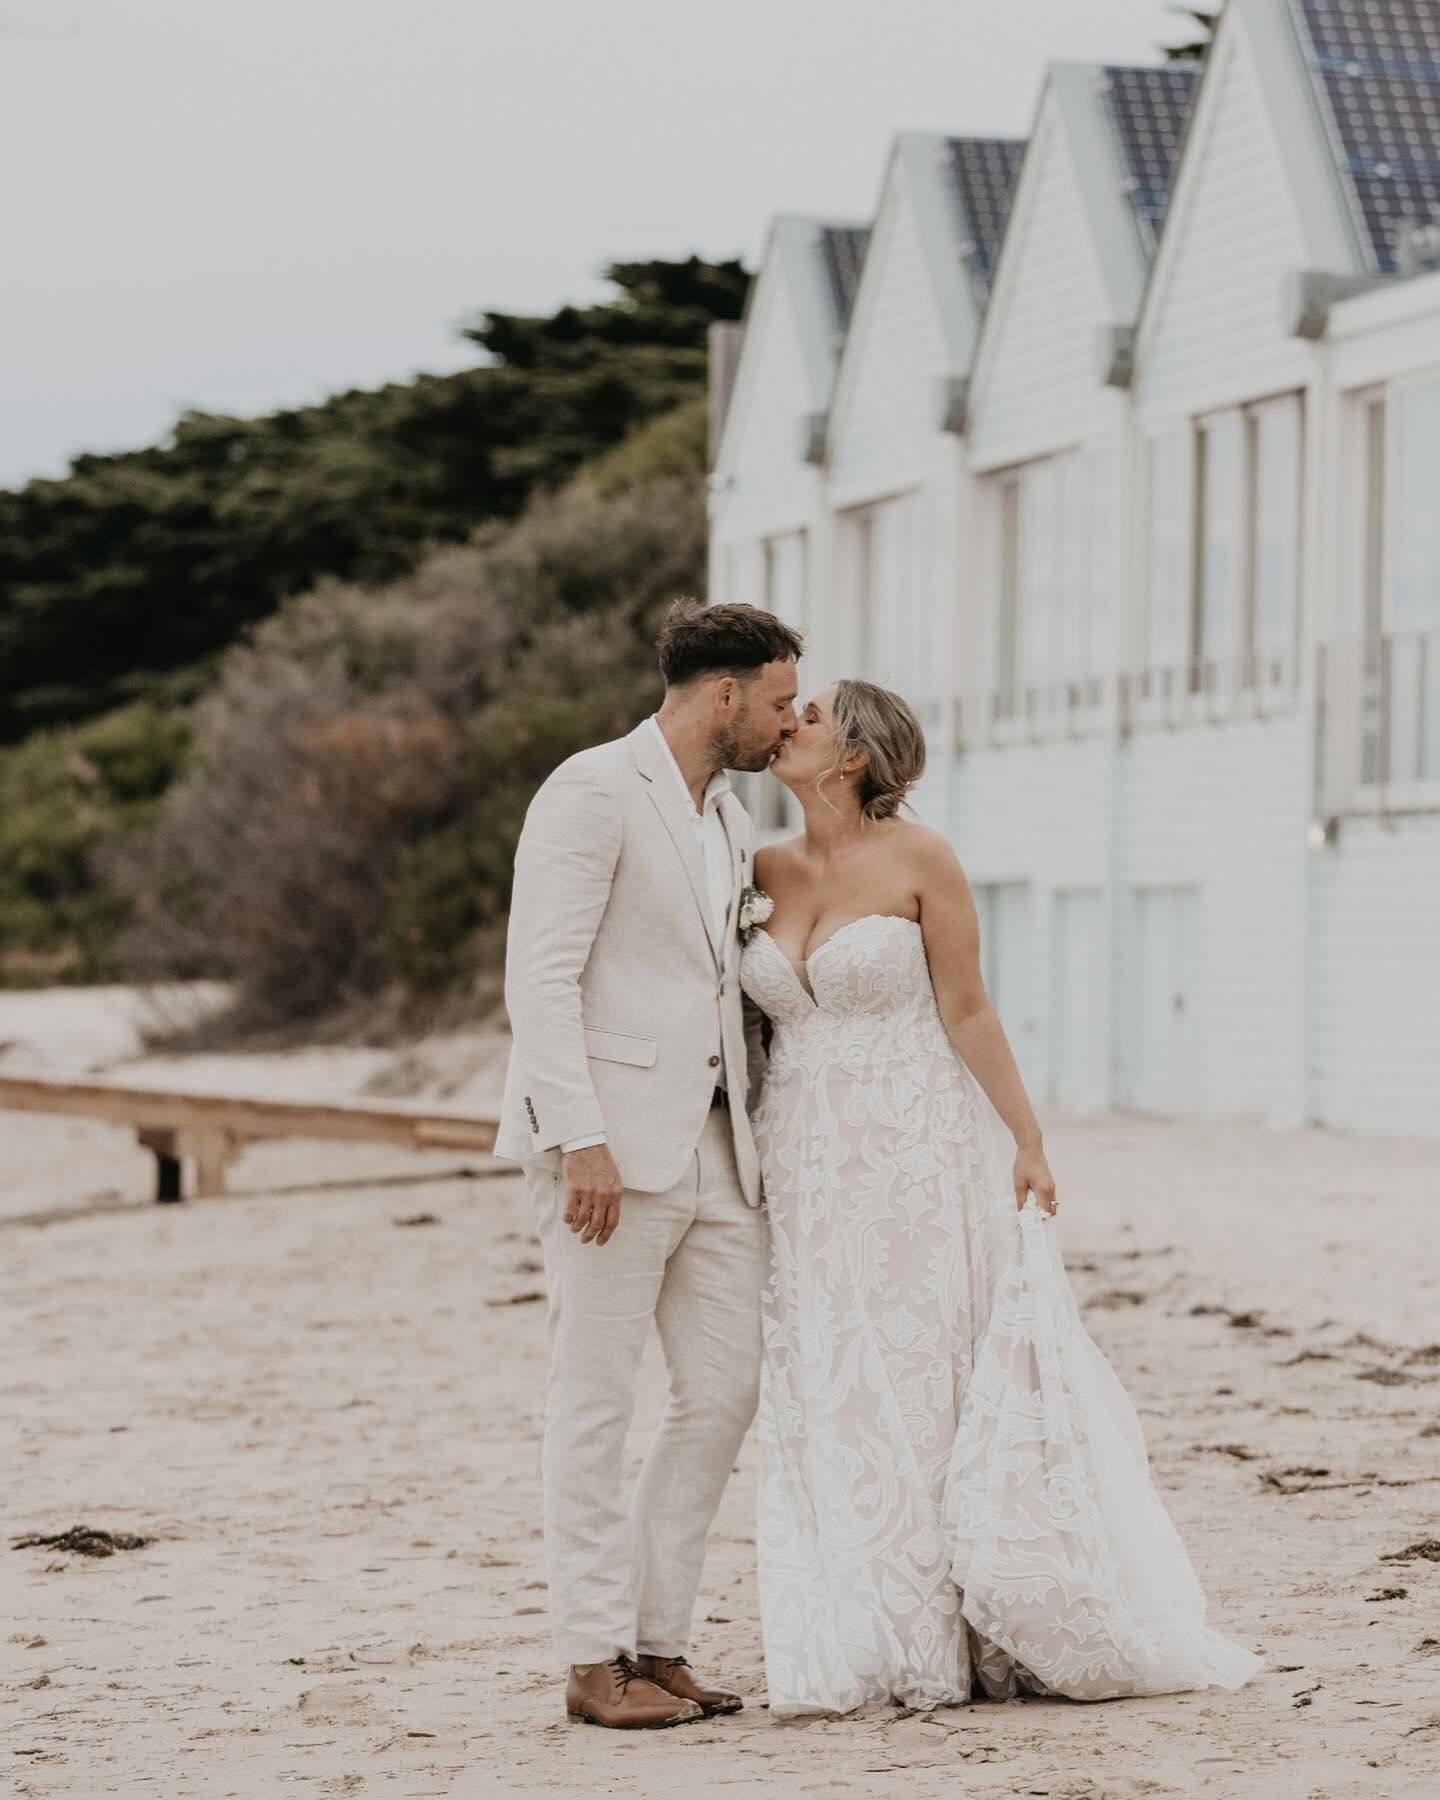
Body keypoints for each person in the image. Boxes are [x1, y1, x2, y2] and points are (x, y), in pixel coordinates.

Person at [738, 676, 1262, 1715]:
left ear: (853, 754)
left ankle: (977, 1618)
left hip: (922, 1149)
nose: (785, 723)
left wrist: (1027, 1136)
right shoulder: (755, 868)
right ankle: (876, 1629)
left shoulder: (922, 859)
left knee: (930, 1370)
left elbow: (967, 1008)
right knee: (835, 1381)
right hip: (803, 1162)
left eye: (808, 715)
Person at [495, 598, 801, 1728]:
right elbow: (541, 978)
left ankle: (657, 1641)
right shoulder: (588, 790)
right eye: (777, 702)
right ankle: (589, 1660)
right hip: (607, 1151)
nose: (788, 723)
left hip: (720, 1151)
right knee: (593, 1402)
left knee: (723, 1393)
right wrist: (580, 1137)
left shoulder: (724, 816)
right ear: (725, 695)